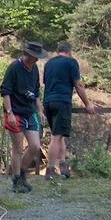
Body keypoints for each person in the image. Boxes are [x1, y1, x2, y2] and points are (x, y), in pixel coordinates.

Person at [43, 41, 96, 180]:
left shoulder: (49, 63)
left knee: (58, 134)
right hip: (62, 101)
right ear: (69, 51)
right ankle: (49, 170)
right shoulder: (71, 62)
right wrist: (87, 104)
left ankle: (63, 167)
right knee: (56, 137)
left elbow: (46, 83)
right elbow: (78, 85)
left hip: (48, 102)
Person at [0, 42, 47, 193]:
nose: (37, 59)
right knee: (17, 148)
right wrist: (9, 113)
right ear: (27, 55)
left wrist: (39, 109)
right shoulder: (14, 68)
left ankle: (21, 174)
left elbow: (36, 91)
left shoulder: (34, 69)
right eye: (35, 57)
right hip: (15, 112)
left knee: (35, 146)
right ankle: (16, 180)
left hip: (29, 110)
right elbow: (5, 91)